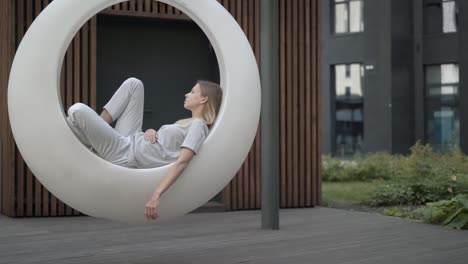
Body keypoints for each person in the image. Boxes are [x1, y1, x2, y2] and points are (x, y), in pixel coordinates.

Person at [66, 77, 223, 221]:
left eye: (193, 91)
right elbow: (163, 146)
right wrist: (151, 131)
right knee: (134, 85)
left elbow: (182, 162)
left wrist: (156, 195)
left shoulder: (199, 127)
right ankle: (95, 136)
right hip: (132, 139)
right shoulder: (186, 122)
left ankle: (93, 139)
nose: (186, 94)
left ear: (203, 99)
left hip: (125, 152)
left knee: (76, 110)